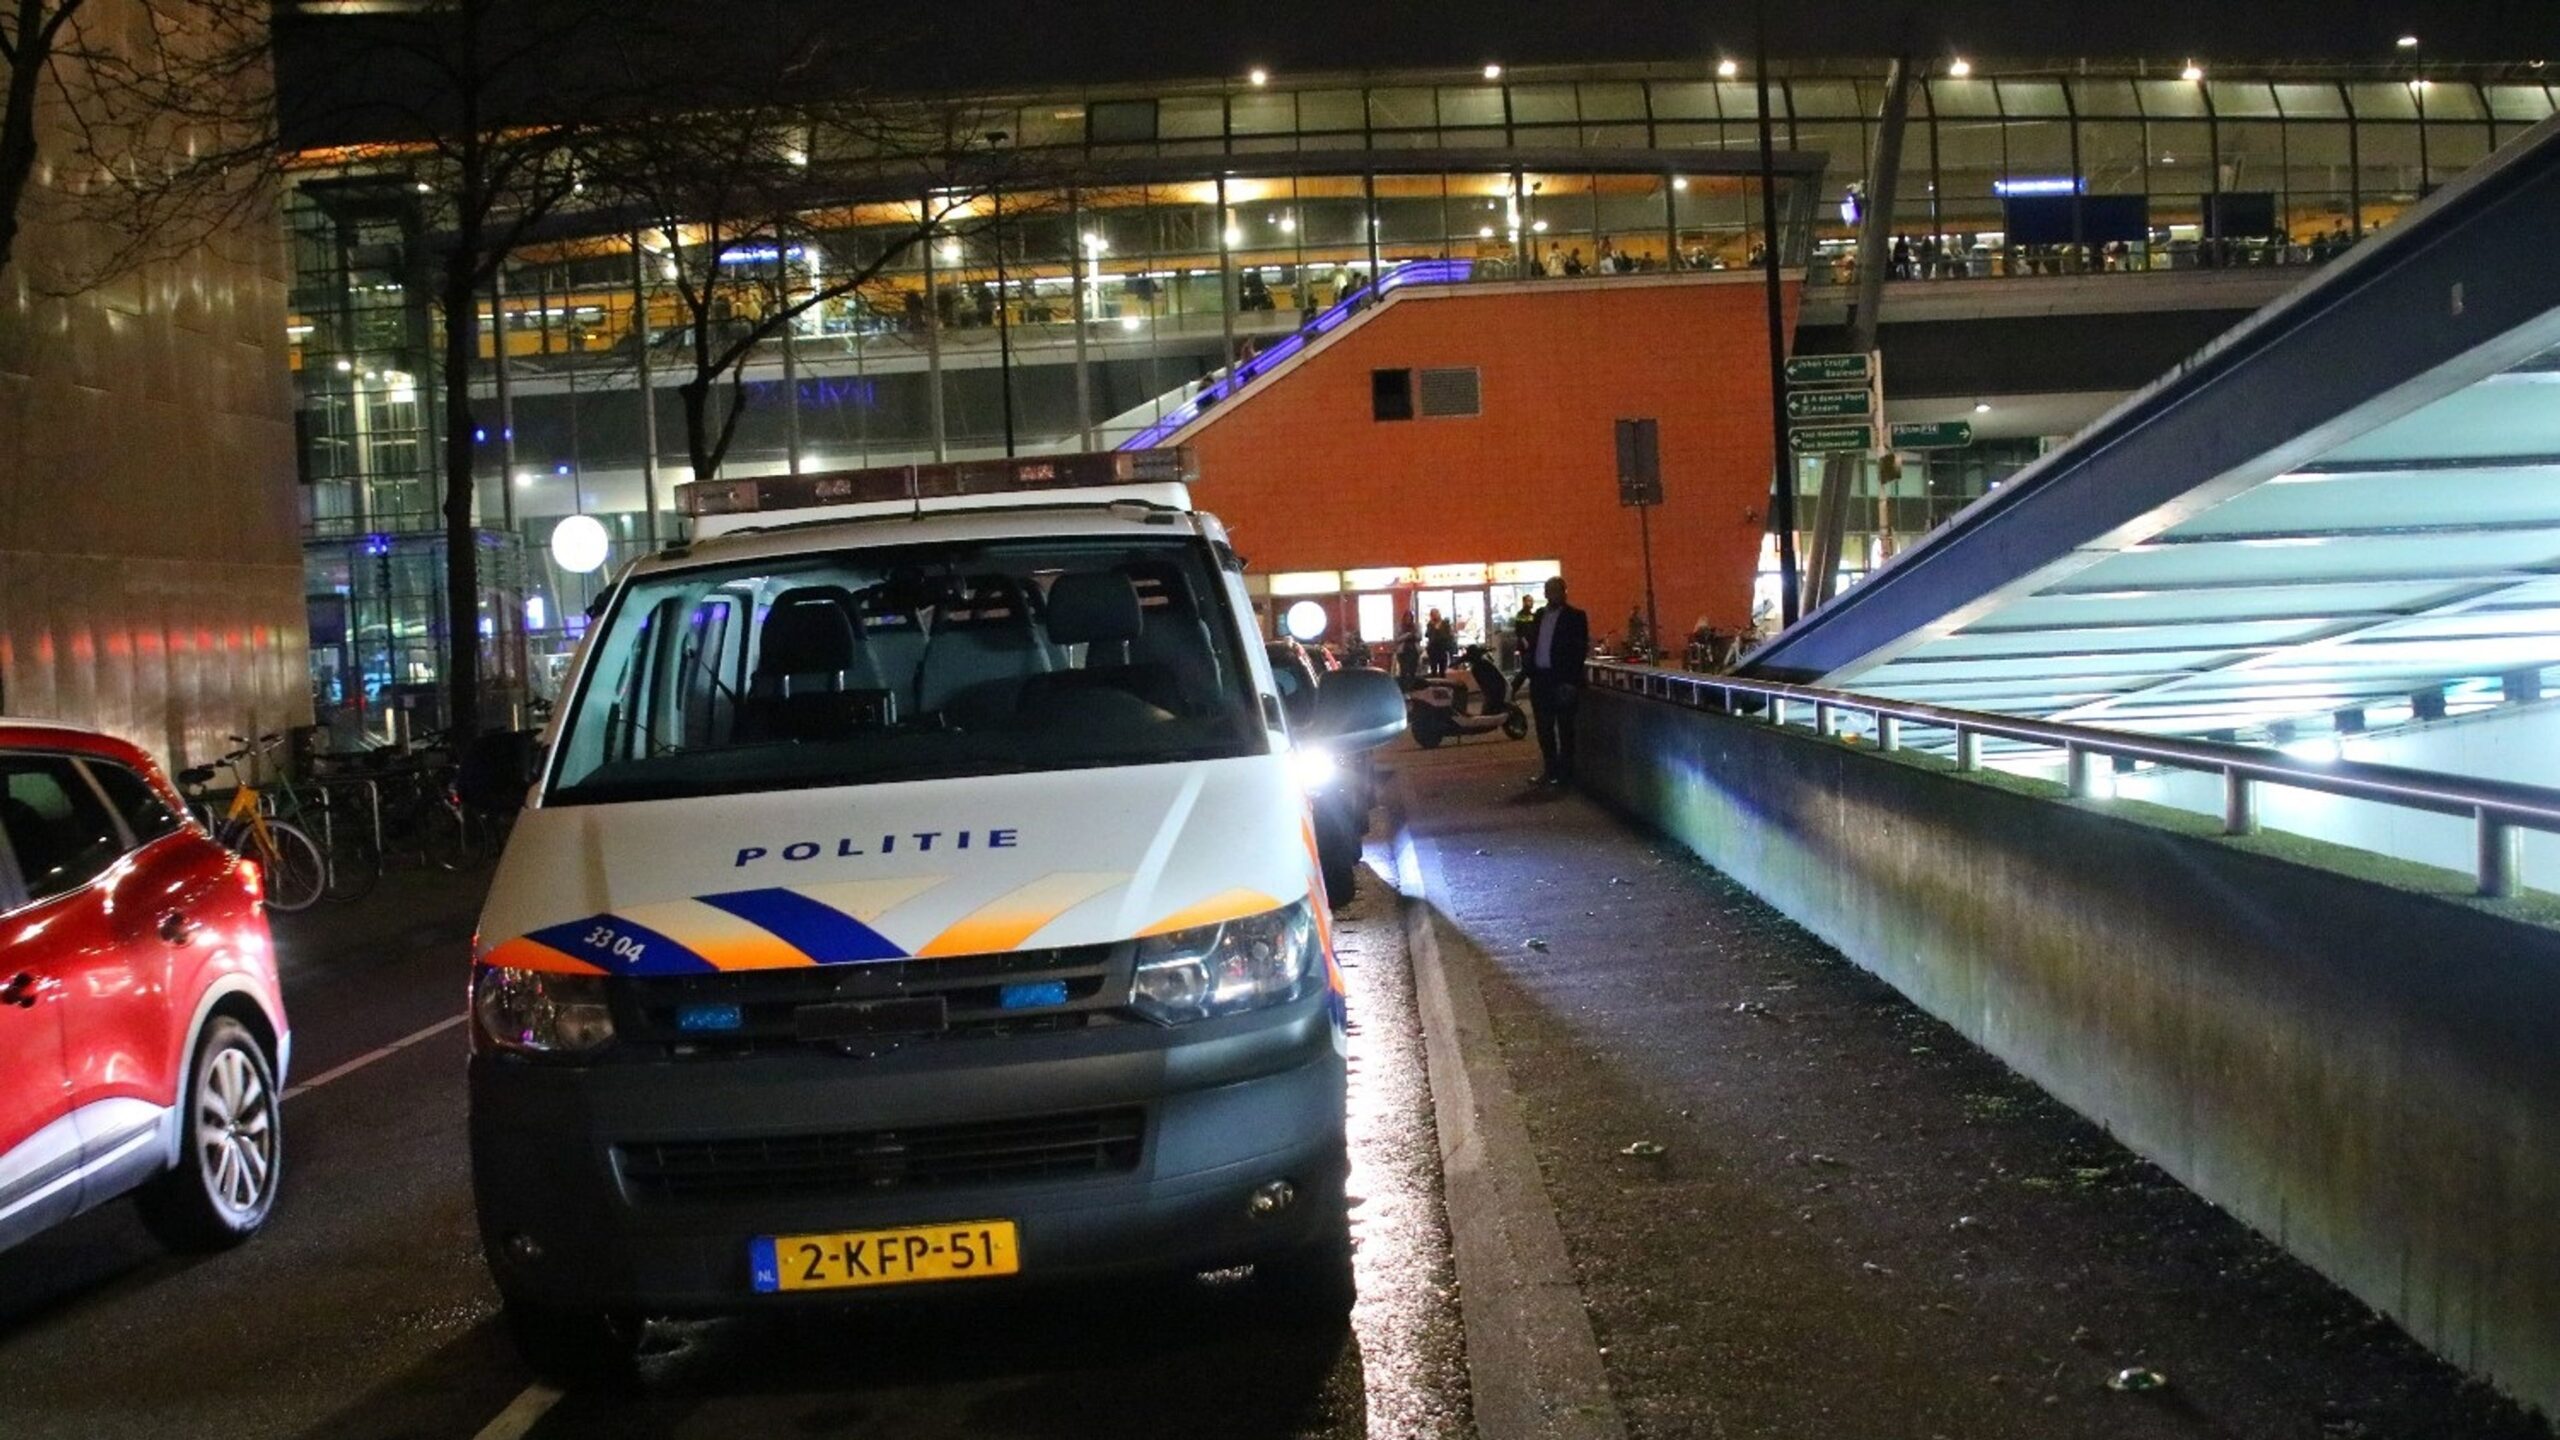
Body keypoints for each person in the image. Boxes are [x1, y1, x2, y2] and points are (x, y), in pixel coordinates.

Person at [1522, 576, 1590, 786]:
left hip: (1561, 680)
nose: (1552, 594)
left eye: (1556, 590)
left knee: (1565, 728)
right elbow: (1533, 645)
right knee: (1544, 728)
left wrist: (1571, 681)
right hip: (1540, 679)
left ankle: (1566, 775)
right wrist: (1530, 669)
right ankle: (1550, 771)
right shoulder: (1540, 615)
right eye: (1549, 590)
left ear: (1564, 592)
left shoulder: (1575, 617)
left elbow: (1579, 650)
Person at [1424, 609, 1455, 676]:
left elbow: (1448, 635)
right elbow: (1427, 635)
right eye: (1432, 614)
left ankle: (1443, 684)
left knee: (1442, 670)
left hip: (1442, 649)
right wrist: (1434, 629)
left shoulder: (1445, 624)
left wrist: (1438, 630)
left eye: (1435, 614)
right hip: (1432, 649)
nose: (1434, 616)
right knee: (1433, 669)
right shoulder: (1430, 624)